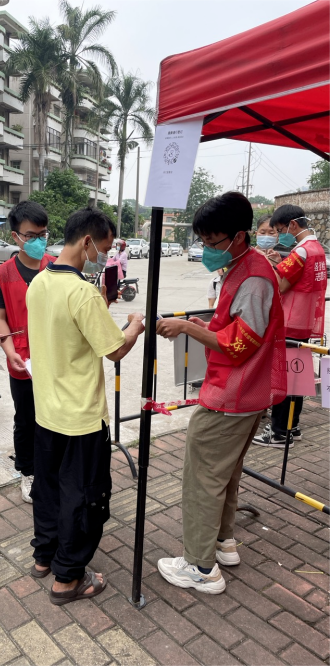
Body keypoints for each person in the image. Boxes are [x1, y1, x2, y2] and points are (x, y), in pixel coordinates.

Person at [155, 192, 286, 594]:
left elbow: (242, 343)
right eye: (203, 241)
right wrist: (203, 326)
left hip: (232, 394)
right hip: (245, 392)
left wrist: (188, 329)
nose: (207, 250)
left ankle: (200, 566)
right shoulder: (243, 265)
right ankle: (224, 542)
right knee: (224, 474)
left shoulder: (254, 277)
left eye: (212, 242)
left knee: (202, 478)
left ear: (239, 236)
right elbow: (236, 327)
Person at [26, 207, 145, 604]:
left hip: (46, 411)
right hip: (80, 417)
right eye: (105, 250)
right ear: (88, 242)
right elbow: (115, 350)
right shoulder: (83, 293)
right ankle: (68, 578)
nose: (105, 258)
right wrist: (136, 324)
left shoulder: (39, 282)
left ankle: (44, 557)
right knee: (83, 497)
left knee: (48, 489)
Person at [0, 201, 55, 503]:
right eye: (31, 236)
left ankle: (51, 469)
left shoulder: (56, 266)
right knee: (26, 420)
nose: (38, 241)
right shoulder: (2, 274)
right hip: (22, 361)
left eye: (43, 234)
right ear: (15, 237)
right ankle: (28, 472)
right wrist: (9, 349)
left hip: (55, 358)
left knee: (54, 416)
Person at [253, 205, 327, 448]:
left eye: (280, 229)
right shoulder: (316, 248)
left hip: (289, 322)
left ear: (292, 225)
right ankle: (292, 427)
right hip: (305, 322)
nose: (280, 234)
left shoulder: (301, 251)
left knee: (283, 379)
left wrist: (267, 265)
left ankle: (278, 433)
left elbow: (281, 285)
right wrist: (279, 262)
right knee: (297, 379)